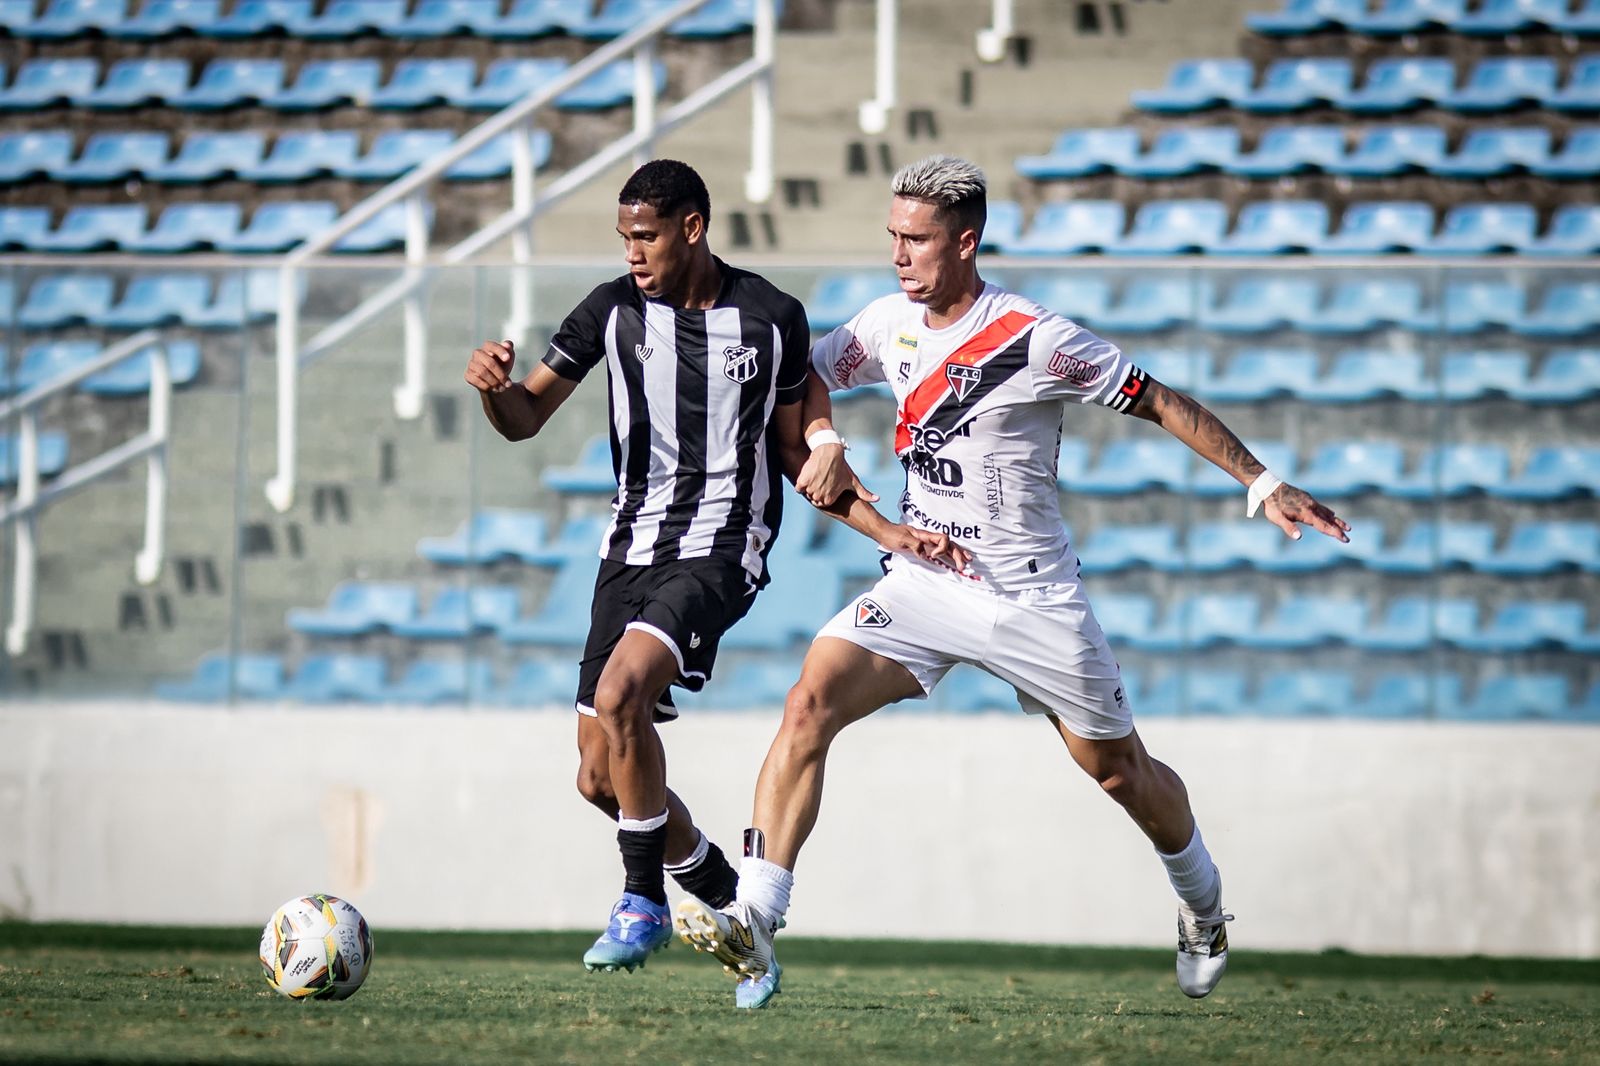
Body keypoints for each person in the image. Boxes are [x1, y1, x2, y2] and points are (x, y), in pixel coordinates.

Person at [674, 155, 1352, 1007]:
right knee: (809, 700)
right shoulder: (889, 323)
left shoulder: (1036, 337)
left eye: (914, 240)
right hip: (925, 579)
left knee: (1119, 772)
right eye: (891, 236)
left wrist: (1262, 482)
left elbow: (1160, 400)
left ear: (965, 242)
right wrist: (822, 442)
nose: (898, 255)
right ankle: (757, 918)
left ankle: (1203, 904)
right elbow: (799, 374)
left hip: (1032, 597)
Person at [463, 159, 959, 1007]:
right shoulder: (610, 312)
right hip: (628, 551)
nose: (633, 254)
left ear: (692, 227)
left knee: (624, 693)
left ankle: (642, 902)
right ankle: (726, 895)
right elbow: (524, 419)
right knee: (599, 777)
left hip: (726, 548)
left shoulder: (770, 318)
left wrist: (886, 530)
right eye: (624, 238)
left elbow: (807, 448)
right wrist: (495, 392)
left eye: (646, 236)